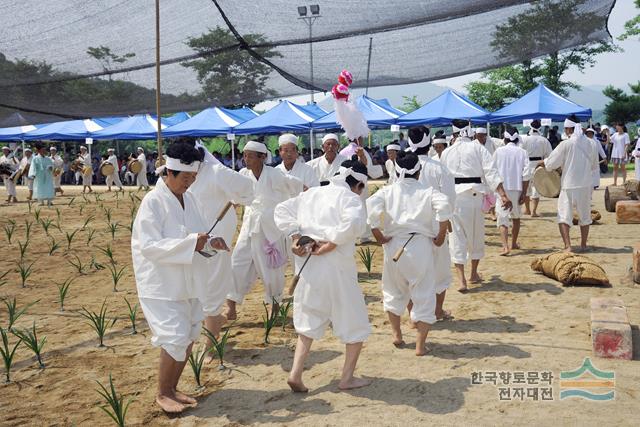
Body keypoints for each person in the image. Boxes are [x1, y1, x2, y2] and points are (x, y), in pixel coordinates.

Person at [132, 141, 228, 413]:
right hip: (162, 284)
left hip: (190, 281)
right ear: (169, 173)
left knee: (189, 334)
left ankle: (173, 388)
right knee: (173, 337)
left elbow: (198, 236)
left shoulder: (191, 198)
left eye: (193, 179)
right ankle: (162, 392)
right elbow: (148, 247)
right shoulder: (152, 202)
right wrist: (191, 243)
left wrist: (210, 244)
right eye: (185, 179)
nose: (189, 184)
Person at [274, 158, 372, 392]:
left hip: (308, 265)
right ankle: (347, 378)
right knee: (354, 321)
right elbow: (355, 223)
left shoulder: (312, 194)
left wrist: (296, 235)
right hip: (336, 267)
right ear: (358, 185)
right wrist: (333, 242)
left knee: (308, 317)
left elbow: (281, 210)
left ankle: (296, 373)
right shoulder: (350, 198)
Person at [367, 153, 451, 355]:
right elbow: (445, 207)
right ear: (419, 171)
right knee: (424, 294)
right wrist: (440, 235)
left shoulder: (388, 191)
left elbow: (370, 206)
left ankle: (397, 334)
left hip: (394, 244)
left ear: (396, 170)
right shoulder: (428, 191)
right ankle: (420, 346)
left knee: (393, 291)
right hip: (420, 245)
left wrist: (377, 233)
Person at [185, 140, 254, 361]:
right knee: (193, 289)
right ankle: (204, 332)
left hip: (216, 241)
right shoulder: (176, 174)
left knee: (212, 289)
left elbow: (247, 189)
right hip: (188, 242)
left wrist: (236, 200)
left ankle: (210, 344)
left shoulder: (216, 172)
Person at [225, 141, 303, 320]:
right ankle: (231, 306)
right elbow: (236, 196)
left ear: (262, 157)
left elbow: (298, 186)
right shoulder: (243, 174)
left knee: (271, 268)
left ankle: (274, 304)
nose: (246, 159)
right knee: (237, 263)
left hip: (270, 228)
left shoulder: (275, 174)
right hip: (249, 225)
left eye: (250, 156)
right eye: (244, 155)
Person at [440, 119, 512, 292]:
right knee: (475, 236)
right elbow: (491, 171)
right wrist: (502, 194)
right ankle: (473, 274)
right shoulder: (478, 147)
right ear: (469, 131)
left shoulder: (446, 152)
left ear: (454, 133)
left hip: (455, 198)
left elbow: (442, 178)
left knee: (457, 237)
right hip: (474, 196)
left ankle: (462, 280)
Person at [407, 126, 456, 321]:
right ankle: (437, 310)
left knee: (411, 272)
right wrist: (447, 221)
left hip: (409, 228)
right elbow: (450, 199)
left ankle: (414, 313)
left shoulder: (402, 167)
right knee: (440, 272)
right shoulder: (440, 168)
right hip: (436, 227)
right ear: (429, 145)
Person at [539, 115, 598, 253]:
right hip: (585, 183)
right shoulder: (592, 143)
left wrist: (542, 163)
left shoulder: (566, 144)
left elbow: (551, 163)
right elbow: (594, 166)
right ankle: (583, 244)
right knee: (585, 215)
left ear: (568, 129)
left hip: (569, 184)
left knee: (564, 215)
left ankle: (568, 246)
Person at [493, 128, 530, 256]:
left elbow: (493, 171)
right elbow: (526, 174)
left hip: (503, 188)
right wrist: (524, 193)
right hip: (518, 187)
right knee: (516, 217)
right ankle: (513, 243)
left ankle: (505, 246)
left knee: (502, 218)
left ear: (504, 139)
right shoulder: (522, 152)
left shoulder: (498, 152)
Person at [521, 120, 553, 217]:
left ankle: (527, 209)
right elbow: (549, 155)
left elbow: (520, 153)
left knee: (526, 188)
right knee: (536, 188)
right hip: (539, 165)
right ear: (540, 128)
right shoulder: (544, 140)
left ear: (530, 127)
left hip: (527, 164)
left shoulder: (525, 139)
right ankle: (534, 211)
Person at [28, 142, 55, 207]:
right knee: (39, 187)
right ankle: (41, 201)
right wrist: (33, 174)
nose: (44, 151)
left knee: (49, 187)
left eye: (45, 150)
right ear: (39, 151)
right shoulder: (35, 158)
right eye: (43, 150)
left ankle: (49, 201)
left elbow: (52, 166)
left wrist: (51, 168)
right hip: (39, 175)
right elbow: (33, 167)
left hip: (48, 175)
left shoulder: (48, 158)